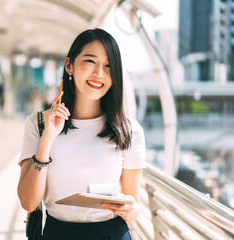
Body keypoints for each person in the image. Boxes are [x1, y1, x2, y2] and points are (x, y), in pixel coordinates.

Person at [17, 28, 146, 240]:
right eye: (90, 61)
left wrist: (129, 208)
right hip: (58, 233)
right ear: (69, 65)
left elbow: (134, 205)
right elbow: (29, 202)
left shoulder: (129, 130)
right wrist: (48, 138)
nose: (99, 74)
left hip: (111, 233)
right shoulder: (38, 124)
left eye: (108, 66)